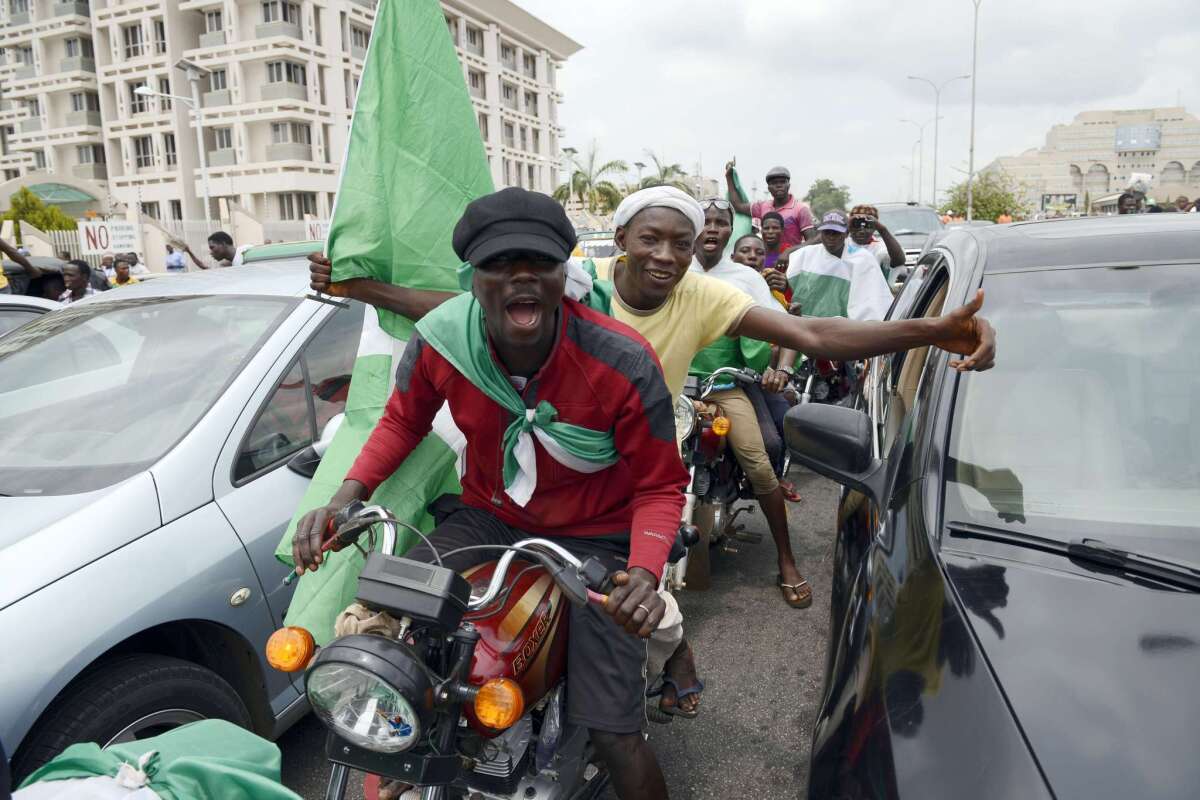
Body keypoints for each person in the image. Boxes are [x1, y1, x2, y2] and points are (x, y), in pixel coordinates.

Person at [294, 187, 689, 800]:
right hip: (489, 517)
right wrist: (347, 496)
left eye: (540, 264)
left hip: (598, 537)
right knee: (388, 631)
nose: (521, 278)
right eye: (500, 265)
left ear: (566, 274)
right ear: (472, 278)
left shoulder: (621, 359)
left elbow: (661, 484)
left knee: (614, 730)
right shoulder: (442, 340)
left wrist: (642, 571)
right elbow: (403, 420)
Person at [786, 210, 895, 322]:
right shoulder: (804, 255)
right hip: (808, 327)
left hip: (846, 331)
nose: (831, 237)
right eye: (827, 232)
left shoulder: (862, 259)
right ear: (820, 233)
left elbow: (872, 303)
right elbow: (789, 288)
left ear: (847, 233)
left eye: (836, 233)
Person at [726, 164, 815, 249]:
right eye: (774, 183)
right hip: (768, 261)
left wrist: (788, 252)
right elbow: (737, 206)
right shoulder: (762, 206)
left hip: (793, 261)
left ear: (788, 185)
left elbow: (811, 241)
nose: (779, 185)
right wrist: (729, 177)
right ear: (768, 188)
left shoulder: (801, 209)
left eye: (783, 182)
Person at [846, 204, 907, 277]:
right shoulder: (842, 243)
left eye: (867, 225)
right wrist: (846, 225)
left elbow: (899, 261)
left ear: (875, 227)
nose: (861, 230)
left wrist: (882, 229)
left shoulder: (881, 247)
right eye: (856, 224)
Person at [185, 231, 249, 269]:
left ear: (223, 244)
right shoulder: (228, 264)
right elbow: (205, 267)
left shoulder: (246, 250)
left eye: (212, 247)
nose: (211, 252)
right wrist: (189, 252)